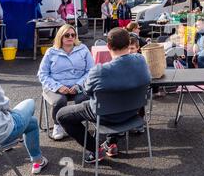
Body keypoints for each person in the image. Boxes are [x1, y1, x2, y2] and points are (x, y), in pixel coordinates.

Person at [57, 28, 151, 163]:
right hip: (133, 113)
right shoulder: (141, 60)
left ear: (108, 46)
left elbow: (87, 92)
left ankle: (95, 149)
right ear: (128, 43)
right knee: (112, 102)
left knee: (61, 115)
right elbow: (148, 80)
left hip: (107, 116)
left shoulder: (99, 71)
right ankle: (109, 142)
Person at [37, 24, 94, 140]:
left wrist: (78, 85)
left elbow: (91, 71)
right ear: (60, 37)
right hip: (55, 86)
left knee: (82, 99)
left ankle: (75, 124)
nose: (70, 37)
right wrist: (58, 87)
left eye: (73, 35)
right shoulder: (51, 52)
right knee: (60, 100)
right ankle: (58, 125)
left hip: (78, 85)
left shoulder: (83, 49)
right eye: (67, 35)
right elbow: (42, 74)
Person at [0, 78, 48, 174]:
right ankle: (37, 161)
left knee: (31, 123)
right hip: (3, 135)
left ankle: (37, 161)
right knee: (30, 102)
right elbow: (4, 105)